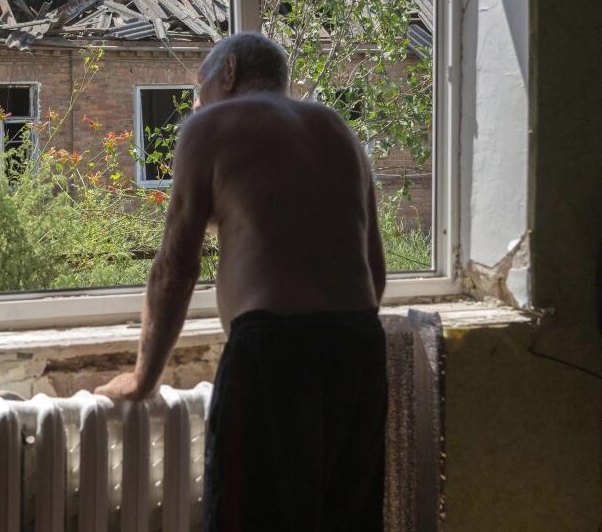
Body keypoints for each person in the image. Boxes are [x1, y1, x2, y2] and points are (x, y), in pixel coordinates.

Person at [95, 32, 388, 531]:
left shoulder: (211, 124)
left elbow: (175, 267)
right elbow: (374, 271)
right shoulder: (336, 128)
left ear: (228, 72)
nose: (196, 97)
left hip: (272, 353)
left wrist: (144, 378)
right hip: (359, 346)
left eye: (200, 82)